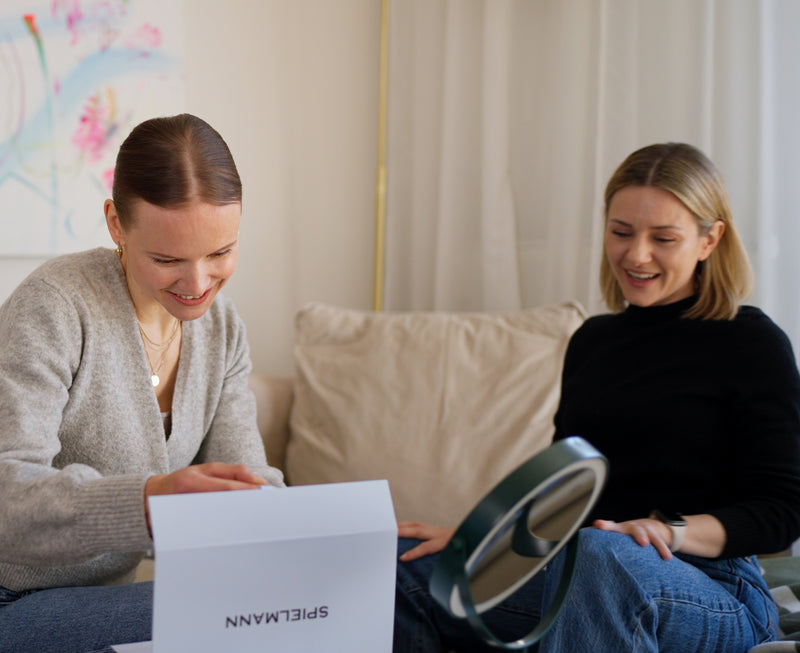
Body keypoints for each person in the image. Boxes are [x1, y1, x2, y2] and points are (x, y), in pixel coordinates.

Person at [393, 142, 800, 652]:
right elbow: (568, 492)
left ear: (709, 240)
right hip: (585, 568)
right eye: (621, 232)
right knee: (403, 566)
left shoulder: (752, 341)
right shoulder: (593, 341)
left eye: (663, 238)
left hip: (715, 587)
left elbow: (783, 511)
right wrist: (481, 538)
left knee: (602, 556)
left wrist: (667, 531)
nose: (637, 255)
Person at [0, 113, 284, 653]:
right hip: (12, 599)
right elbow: (6, 497)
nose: (198, 284)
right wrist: (149, 502)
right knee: (228, 614)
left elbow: (249, 479)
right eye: (167, 259)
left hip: (99, 603)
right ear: (116, 224)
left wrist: (332, 533)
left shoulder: (223, 330)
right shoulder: (55, 307)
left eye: (220, 253)